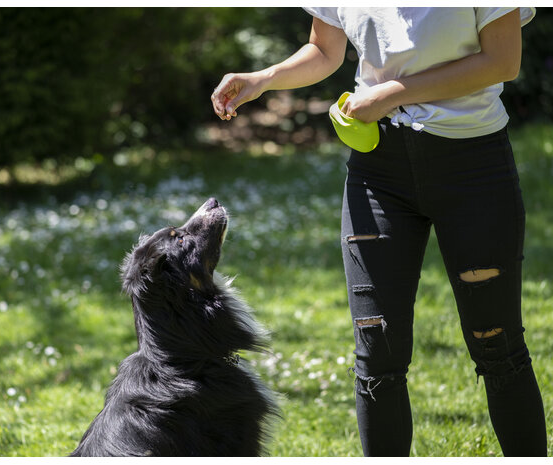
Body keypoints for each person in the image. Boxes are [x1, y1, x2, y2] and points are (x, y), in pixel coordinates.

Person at [211, 7, 547, 457]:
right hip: (378, 175)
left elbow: (502, 60)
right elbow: (323, 49)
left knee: (498, 347)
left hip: (474, 170)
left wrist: (390, 93)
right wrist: (264, 78)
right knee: (377, 356)